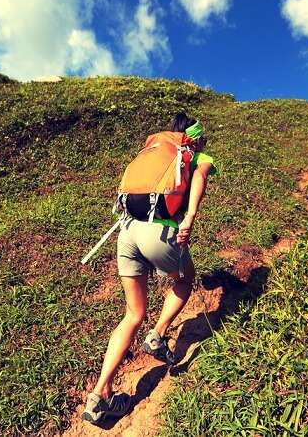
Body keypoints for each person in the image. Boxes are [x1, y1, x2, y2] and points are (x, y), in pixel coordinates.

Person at [82, 113, 217, 424]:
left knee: (132, 314)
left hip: (127, 232)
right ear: (194, 138)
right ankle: (157, 335)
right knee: (184, 282)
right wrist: (189, 217)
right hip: (159, 233)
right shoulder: (195, 154)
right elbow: (200, 178)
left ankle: (99, 395)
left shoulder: (155, 148)